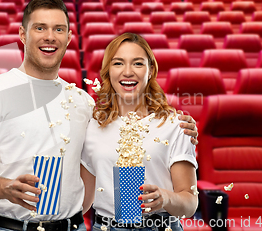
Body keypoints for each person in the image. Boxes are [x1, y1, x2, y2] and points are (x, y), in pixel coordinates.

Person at [0, 0, 197, 231]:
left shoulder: (83, 103)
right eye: (40, 27)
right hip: (9, 227)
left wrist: (182, 129)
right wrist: (5, 188)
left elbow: (90, 178)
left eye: (59, 29)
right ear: (23, 34)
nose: (50, 36)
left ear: (69, 37)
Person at [81, 33, 198, 231]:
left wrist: (166, 198)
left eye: (137, 63)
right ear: (108, 71)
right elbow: (83, 201)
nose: (128, 72)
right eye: (118, 63)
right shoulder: (93, 126)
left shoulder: (174, 125)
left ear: (150, 70)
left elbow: (190, 204)